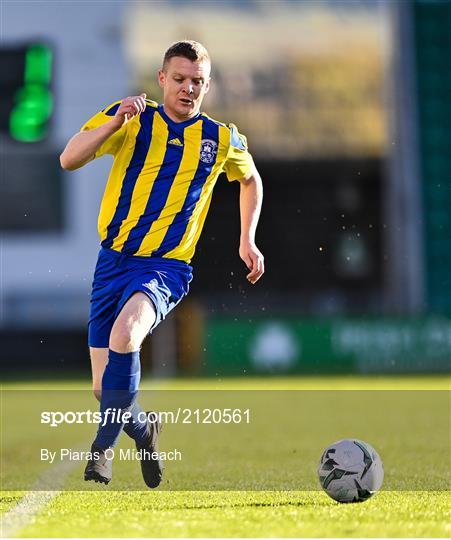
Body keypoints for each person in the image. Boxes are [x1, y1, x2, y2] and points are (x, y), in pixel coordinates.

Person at [60, 40, 264, 488]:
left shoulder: (220, 138)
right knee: (104, 390)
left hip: (165, 268)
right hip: (112, 263)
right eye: (179, 79)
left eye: (197, 82)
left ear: (207, 85)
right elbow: (69, 158)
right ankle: (144, 429)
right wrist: (115, 121)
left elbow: (250, 179)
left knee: (126, 334)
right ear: (161, 79)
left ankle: (102, 450)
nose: (188, 88)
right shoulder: (132, 119)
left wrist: (247, 238)